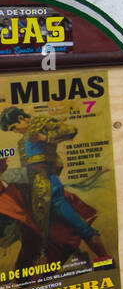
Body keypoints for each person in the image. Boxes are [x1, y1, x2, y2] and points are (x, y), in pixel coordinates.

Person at [0, 105, 109, 262]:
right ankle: (79, 257)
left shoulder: (40, 123)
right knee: (49, 232)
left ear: (21, 119)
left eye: (14, 127)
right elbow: (29, 168)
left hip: (50, 185)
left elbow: (70, 130)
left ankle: (104, 258)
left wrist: (44, 138)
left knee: (77, 224)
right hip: (35, 190)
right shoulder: (21, 141)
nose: (15, 131)